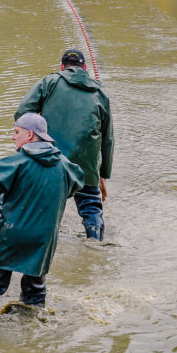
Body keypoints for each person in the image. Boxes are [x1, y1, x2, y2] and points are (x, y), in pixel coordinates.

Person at [0, 113, 83, 319]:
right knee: (35, 289)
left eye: (16, 132)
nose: (13, 137)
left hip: (12, 235)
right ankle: (32, 331)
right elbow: (75, 185)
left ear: (30, 135)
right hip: (44, 240)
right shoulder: (65, 165)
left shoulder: (16, 163)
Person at [14, 49, 113, 241]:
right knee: (91, 207)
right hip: (87, 167)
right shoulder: (100, 93)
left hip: (51, 161)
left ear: (62, 67)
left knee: (44, 208)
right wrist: (103, 174)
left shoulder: (49, 82)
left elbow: (22, 114)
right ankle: (95, 243)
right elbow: (108, 138)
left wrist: (33, 140)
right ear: (84, 68)